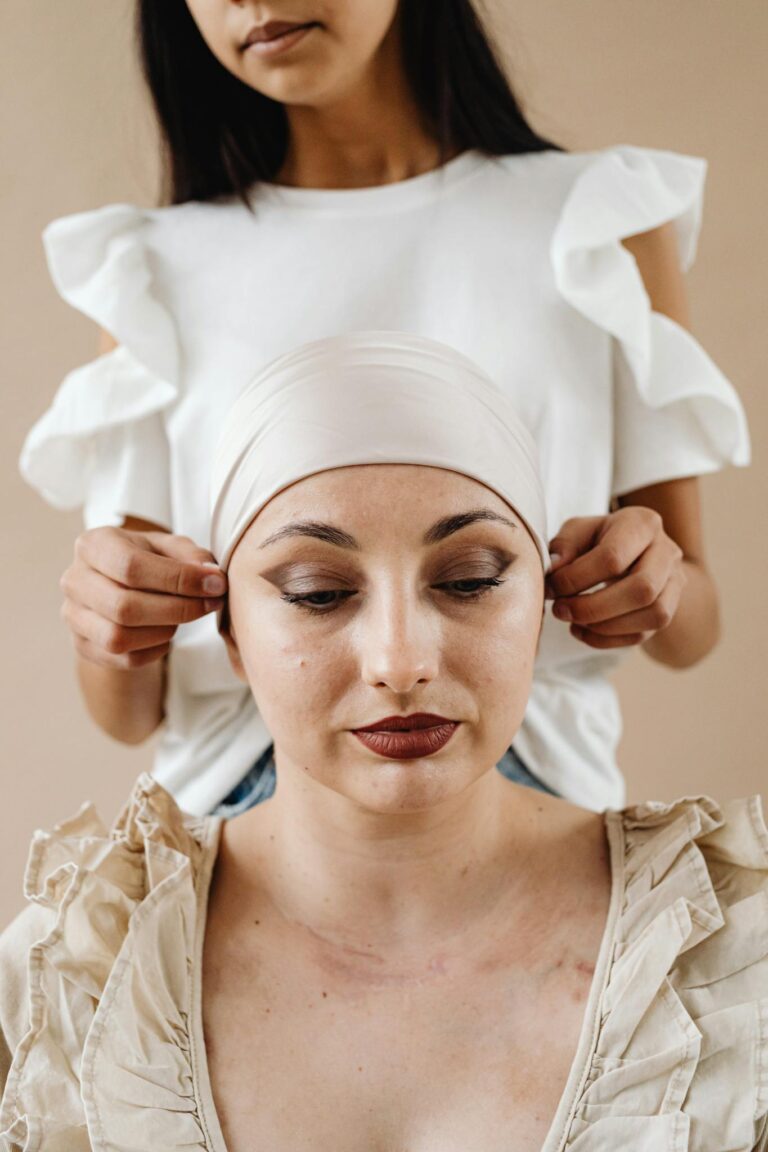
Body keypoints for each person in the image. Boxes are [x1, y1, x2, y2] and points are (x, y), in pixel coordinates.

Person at [2, 333, 765, 1150]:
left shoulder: (727, 955)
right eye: (317, 592)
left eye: (470, 579)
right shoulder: (74, 977)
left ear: (540, 602)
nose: (401, 664)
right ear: (229, 634)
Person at [19, 0, 749, 816]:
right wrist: (111, 622)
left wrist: (651, 584)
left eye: (472, 578)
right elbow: (127, 714)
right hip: (241, 815)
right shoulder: (152, 270)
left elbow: (694, 623)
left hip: (534, 801)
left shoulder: (595, 223)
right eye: (314, 590)